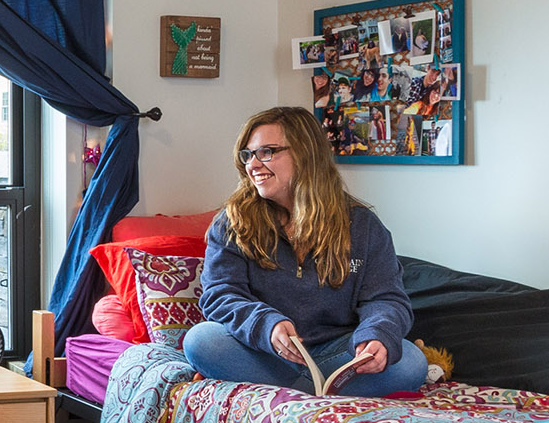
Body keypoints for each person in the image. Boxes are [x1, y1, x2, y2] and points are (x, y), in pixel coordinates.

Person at [182, 106, 436, 396]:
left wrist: (377, 336)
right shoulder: (233, 222)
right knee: (202, 341)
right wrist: (267, 325)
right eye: (247, 154)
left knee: (411, 362)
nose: (252, 164)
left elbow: (386, 298)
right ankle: (317, 393)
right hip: (266, 352)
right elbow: (220, 295)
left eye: (267, 152)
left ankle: (296, 393)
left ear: (306, 154)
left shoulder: (362, 225)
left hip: (340, 353)